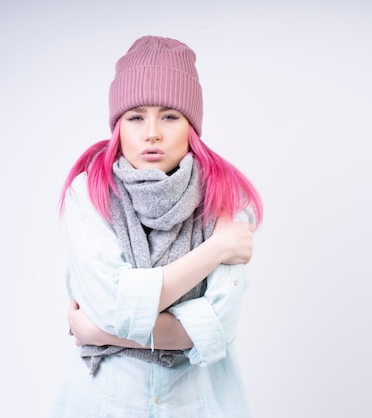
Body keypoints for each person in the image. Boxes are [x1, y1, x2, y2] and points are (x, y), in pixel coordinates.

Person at [52, 35, 263, 418]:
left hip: (197, 406)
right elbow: (112, 305)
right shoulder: (89, 192)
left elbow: (219, 326)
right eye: (135, 117)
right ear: (119, 125)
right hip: (103, 404)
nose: (152, 132)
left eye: (169, 115)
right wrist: (215, 250)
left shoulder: (226, 199)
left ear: (191, 125)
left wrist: (99, 333)